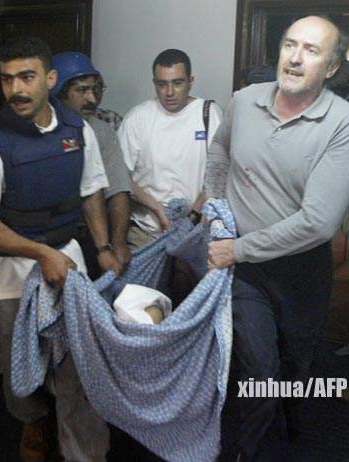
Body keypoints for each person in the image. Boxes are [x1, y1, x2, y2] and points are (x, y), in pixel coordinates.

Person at [0, 36, 122, 462]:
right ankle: (31, 420)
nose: (16, 89)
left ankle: (84, 451)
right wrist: (41, 254)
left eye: (27, 77)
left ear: (50, 78)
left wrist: (103, 246)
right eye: (7, 80)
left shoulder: (77, 130)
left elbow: (91, 191)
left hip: (68, 262)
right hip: (11, 273)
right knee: (18, 360)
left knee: (77, 363)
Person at [206, 16, 349, 461]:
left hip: (302, 272)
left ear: (331, 67)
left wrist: (235, 248)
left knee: (294, 369)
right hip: (247, 272)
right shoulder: (244, 100)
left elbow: (319, 223)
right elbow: (220, 151)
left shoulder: (341, 122)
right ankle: (249, 452)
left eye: (311, 50)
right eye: (290, 44)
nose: (295, 58)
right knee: (259, 369)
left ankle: (290, 423)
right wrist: (217, 211)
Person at [118, 48, 222, 303]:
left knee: (193, 303)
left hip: (196, 230)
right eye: (162, 84)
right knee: (139, 306)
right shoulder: (138, 118)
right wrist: (156, 209)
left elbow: (220, 172)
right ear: (154, 83)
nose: (169, 92)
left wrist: (194, 214)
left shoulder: (208, 113)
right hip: (148, 231)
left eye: (177, 83)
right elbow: (120, 177)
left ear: (191, 81)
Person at [51, 51, 132, 279]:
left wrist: (117, 243)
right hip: (46, 237)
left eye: (95, 90)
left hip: (90, 235)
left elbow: (117, 189)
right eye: (82, 90)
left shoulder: (101, 131)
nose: (92, 99)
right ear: (59, 91)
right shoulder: (40, 131)